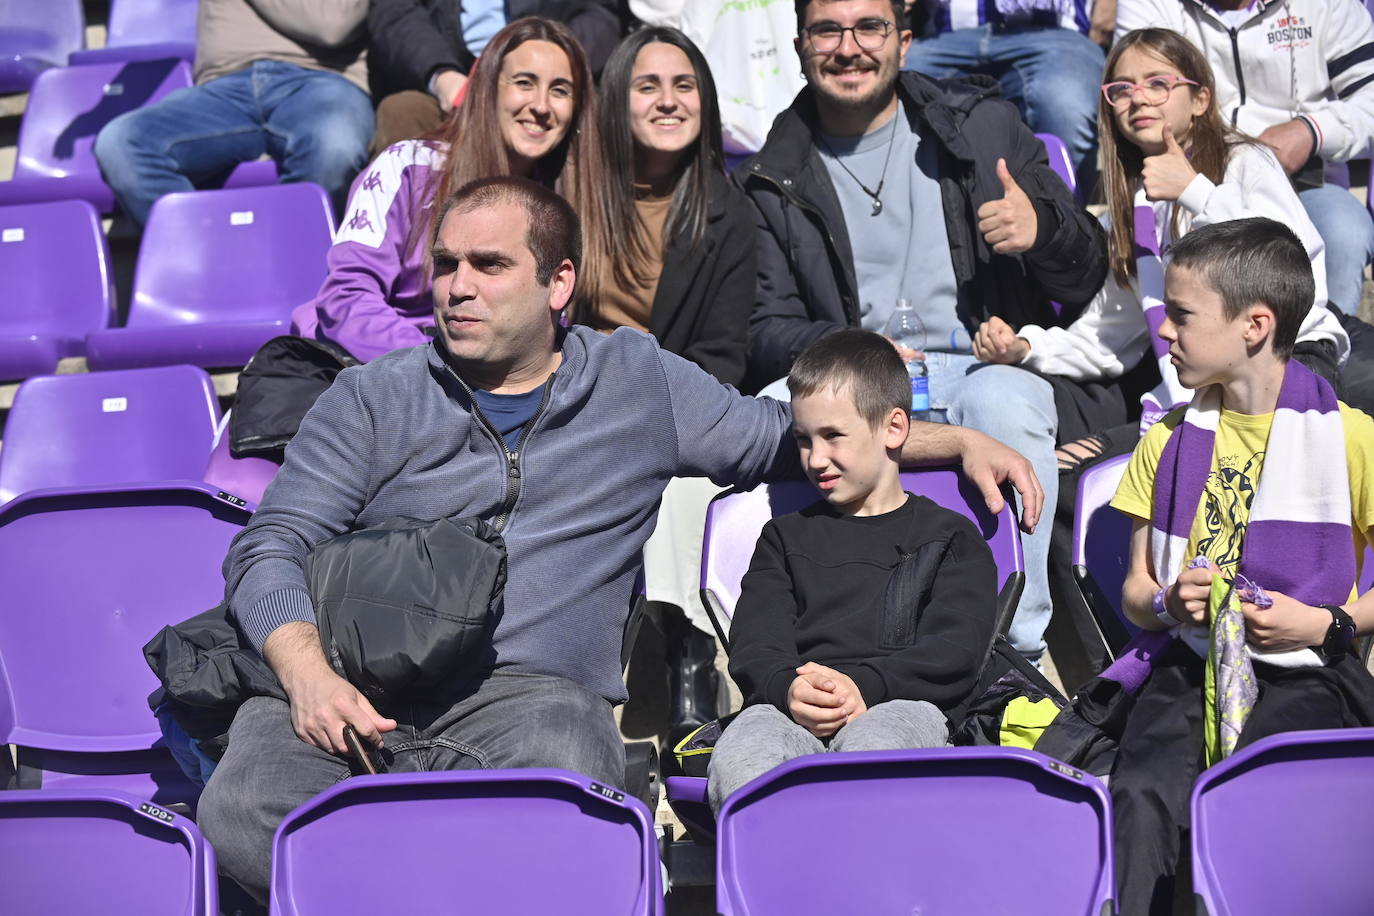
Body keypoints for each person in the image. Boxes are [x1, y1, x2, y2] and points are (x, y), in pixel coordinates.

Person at [196, 174, 1044, 902]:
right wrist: (304, 676)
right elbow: (271, 543)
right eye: (446, 264)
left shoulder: (637, 382)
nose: (456, 287)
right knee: (240, 809)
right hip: (350, 690)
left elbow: (791, 433)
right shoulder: (372, 397)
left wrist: (952, 439)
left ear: (558, 283)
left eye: (489, 266)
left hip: (523, 703)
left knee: (566, 770)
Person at [971, 28, 1349, 681]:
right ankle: (1120, 677)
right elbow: (1110, 334)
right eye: (1121, 88)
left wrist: (1197, 192)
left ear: (1199, 99)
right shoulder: (1144, 205)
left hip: (1282, 372)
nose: (1137, 99)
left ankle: (1275, 654)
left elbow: (1289, 273)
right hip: (1188, 399)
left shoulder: (1239, 165)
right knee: (1062, 484)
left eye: (1157, 83)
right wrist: (1027, 345)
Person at [741, 0, 1108, 660]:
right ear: (800, 45)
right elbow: (764, 329)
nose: (848, 47)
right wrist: (845, 347)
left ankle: (1014, 658)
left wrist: (1043, 233)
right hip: (853, 383)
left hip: (979, 363)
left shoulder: (982, 129)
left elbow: (1088, 278)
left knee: (1006, 401)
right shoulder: (774, 173)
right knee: (764, 416)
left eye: (869, 28)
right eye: (828, 29)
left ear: (905, 42)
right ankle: (808, 647)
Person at [1106, 217, 1374, 913]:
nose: (1164, 330)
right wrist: (1169, 604)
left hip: (1309, 669)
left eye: (1184, 314)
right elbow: (1137, 591)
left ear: (1255, 325)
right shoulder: (1165, 439)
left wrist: (1325, 622)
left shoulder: (1350, 437)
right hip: (1186, 666)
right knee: (1143, 795)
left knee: (1269, 788)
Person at [708, 329, 998, 814]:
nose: (815, 459)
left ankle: (864, 885)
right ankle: (776, 885)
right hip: (789, 709)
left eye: (833, 436)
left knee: (877, 756)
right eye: (803, 440)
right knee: (744, 756)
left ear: (893, 428)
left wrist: (866, 685)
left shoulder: (949, 538)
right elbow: (756, 642)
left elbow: (955, 651)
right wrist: (787, 686)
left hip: (901, 705)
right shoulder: (784, 539)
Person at [583, 27, 758, 752]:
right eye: (648, 85)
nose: (668, 100)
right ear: (617, 101)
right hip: (576, 405)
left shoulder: (727, 209)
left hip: (674, 406)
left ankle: (689, 660)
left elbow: (726, 353)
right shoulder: (572, 195)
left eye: (683, 85)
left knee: (678, 476)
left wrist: (648, 404)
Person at [291, 17, 608, 363]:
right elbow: (347, 299)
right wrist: (438, 365)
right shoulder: (407, 167)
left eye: (560, 90)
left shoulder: (564, 200)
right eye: (524, 82)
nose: (542, 105)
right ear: (487, 88)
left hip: (488, 383)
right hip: (374, 371)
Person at [1115, 0, 1374, 317]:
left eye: (1155, 85)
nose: (1140, 96)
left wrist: (1312, 130)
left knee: (1343, 229)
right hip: (1194, 174)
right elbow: (1136, 73)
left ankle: (1324, 353)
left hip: (1309, 180)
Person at [94, 0, 374, 227]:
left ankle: (294, 265)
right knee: (121, 142)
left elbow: (332, 25)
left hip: (323, 81)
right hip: (223, 88)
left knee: (335, 146)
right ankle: (213, 267)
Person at [903, 0, 1110, 192]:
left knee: (1062, 103)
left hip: (1054, 34)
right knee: (894, 90)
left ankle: (1067, 219)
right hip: (943, 37)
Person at [366, 0, 624, 153]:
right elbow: (394, 10)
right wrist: (442, 76)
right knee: (401, 112)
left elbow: (602, 13)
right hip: (451, 72)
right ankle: (412, 236)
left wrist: (548, 59)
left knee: (594, 119)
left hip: (548, 65)